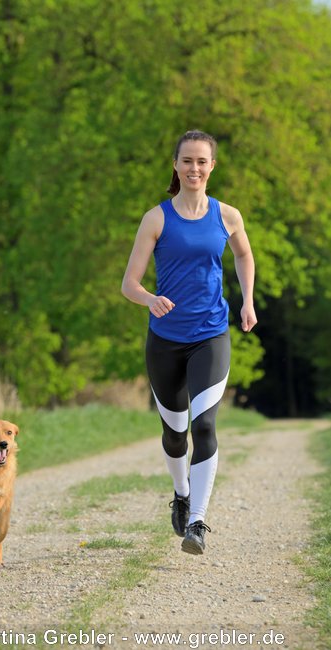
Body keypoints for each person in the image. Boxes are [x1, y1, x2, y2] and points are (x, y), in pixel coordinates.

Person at [121, 130, 257, 555]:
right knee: (176, 432)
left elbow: (243, 255)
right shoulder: (156, 219)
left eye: (202, 162)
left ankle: (197, 520)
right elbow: (129, 283)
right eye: (187, 161)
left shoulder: (228, 216)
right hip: (164, 340)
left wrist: (247, 301)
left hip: (211, 334)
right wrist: (149, 298)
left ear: (212, 166)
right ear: (176, 165)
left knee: (204, 425)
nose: (194, 169)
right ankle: (180, 495)